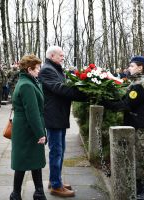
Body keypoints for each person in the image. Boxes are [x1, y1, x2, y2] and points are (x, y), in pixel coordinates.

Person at [102, 56, 144, 200]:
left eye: (131, 66)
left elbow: (127, 104)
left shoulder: (140, 84)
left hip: (142, 128)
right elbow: (124, 100)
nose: (128, 68)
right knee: (137, 158)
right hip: (137, 125)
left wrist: (107, 103)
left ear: (140, 68)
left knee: (141, 159)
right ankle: (139, 189)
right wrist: (106, 99)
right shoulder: (135, 83)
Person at [38, 46, 86, 197]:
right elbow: (59, 88)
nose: (63, 57)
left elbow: (64, 86)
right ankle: (56, 185)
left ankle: (55, 180)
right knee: (56, 151)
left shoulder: (56, 68)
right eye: (61, 55)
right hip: (53, 116)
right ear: (52, 55)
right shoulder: (47, 70)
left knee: (60, 150)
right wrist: (83, 94)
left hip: (59, 115)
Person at [10, 54, 47, 200]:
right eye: (37, 68)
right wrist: (40, 133)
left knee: (33, 159)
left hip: (26, 128)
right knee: (23, 161)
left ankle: (38, 192)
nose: (39, 70)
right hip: (27, 129)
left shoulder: (28, 81)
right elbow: (32, 113)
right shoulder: (26, 85)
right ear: (29, 69)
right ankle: (16, 194)